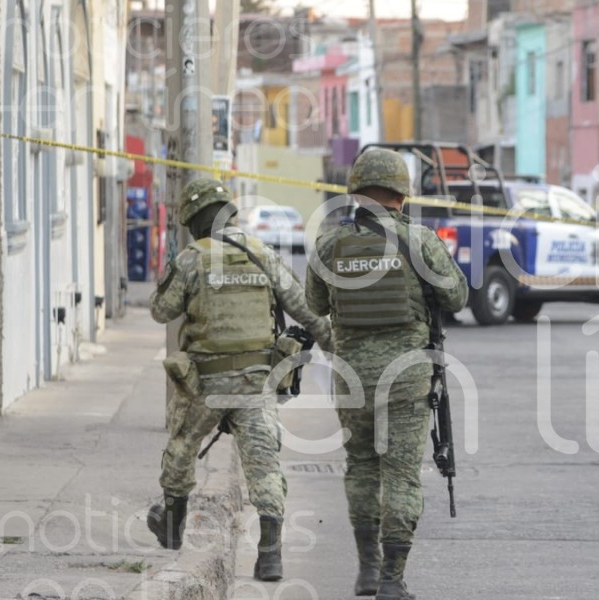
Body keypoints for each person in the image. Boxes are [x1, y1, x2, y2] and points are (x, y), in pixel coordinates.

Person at [306, 148, 469, 600]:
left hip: (352, 376)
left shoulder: (328, 243)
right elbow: (457, 297)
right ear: (401, 191)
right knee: (400, 475)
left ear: (357, 191)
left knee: (361, 466)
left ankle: (366, 571)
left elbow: (315, 304)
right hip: (407, 377)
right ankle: (392, 581)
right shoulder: (419, 240)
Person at [149, 179, 332, 581]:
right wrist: (333, 341)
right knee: (264, 465)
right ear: (230, 214)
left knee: (181, 446)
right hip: (255, 383)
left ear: (195, 223)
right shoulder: (261, 252)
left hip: (204, 386)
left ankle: (173, 531)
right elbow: (302, 307)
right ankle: (270, 558)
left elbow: (161, 311)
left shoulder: (192, 258)